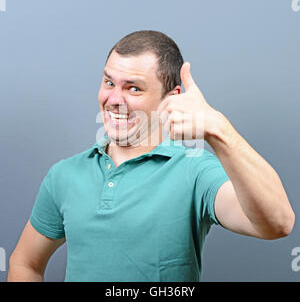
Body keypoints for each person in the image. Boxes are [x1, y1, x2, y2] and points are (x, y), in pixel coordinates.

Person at [8, 30, 295, 282]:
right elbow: (25, 263)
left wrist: (217, 128)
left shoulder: (195, 172)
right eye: (109, 83)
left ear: (173, 98)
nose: (114, 99)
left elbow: (278, 223)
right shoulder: (64, 175)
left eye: (133, 88)